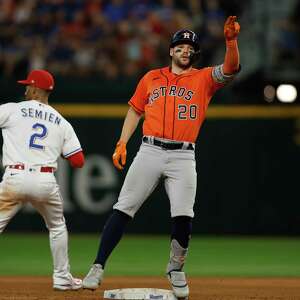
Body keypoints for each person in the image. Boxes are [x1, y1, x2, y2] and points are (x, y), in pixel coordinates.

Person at [83, 16, 240, 298]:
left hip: (183, 155)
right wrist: (122, 142)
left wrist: (231, 42)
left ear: (194, 53)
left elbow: (230, 69)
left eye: (189, 48)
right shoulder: (151, 77)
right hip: (150, 150)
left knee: (183, 215)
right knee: (123, 208)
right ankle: (97, 266)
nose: (185, 51)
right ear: (171, 51)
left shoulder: (204, 78)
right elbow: (135, 110)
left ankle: (176, 268)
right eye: (180, 47)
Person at [0, 69, 85, 290]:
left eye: (28, 85)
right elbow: (78, 161)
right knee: (57, 226)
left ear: (36, 90)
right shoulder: (62, 122)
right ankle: (61, 278)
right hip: (44, 180)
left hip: (14, 177)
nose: (25, 88)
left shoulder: (12, 109)